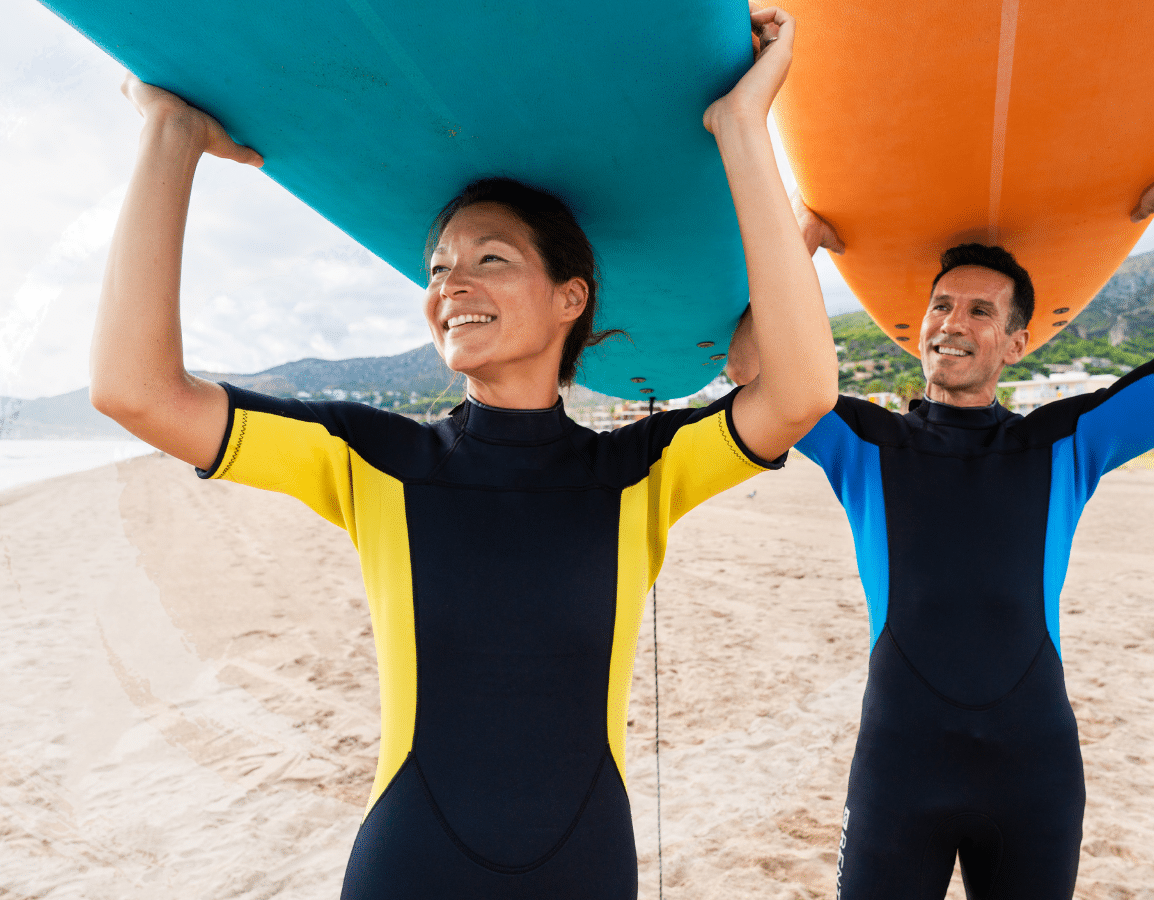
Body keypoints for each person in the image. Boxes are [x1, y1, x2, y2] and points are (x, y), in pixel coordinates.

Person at [89, 6, 837, 898]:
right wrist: (169, 138)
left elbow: (799, 391)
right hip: (413, 862)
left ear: (570, 299)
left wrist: (742, 127)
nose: (453, 284)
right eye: (439, 266)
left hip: (583, 865)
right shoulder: (375, 459)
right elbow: (135, 390)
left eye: (490, 258)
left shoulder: (635, 471)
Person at [726, 187, 1154, 899]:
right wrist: (801, 239)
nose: (952, 323)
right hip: (898, 772)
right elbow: (748, 366)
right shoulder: (863, 439)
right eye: (942, 305)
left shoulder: (1060, 444)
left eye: (980, 311)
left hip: (1034, 779)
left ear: (1017, 343)